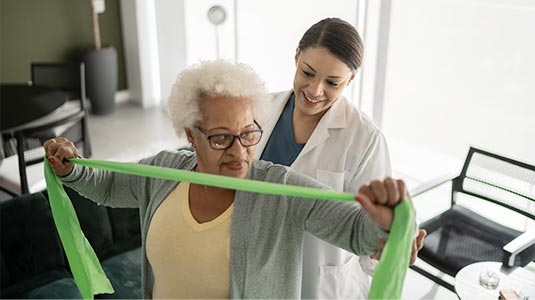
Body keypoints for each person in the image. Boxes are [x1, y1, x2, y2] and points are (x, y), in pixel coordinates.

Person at [44, 59, 414, 299]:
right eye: (221, 138)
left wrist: (384, 228)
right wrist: (72, 169)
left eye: (249, 134)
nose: (239, 152)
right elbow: (108, 185)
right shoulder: (163, 171)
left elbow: (352, 228)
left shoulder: (281, 188)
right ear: (190, 135)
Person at [255, 18, 426, 299]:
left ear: (351, 79)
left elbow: (372, 226)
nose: (315, 91)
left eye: (332, 82)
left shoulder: (365, 139)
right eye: (307, 73)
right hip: (257, 262)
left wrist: (391, 245)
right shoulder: (260, 109)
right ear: (297, 56)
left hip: (318, 280)